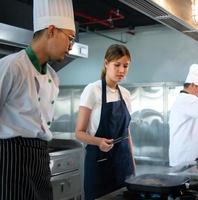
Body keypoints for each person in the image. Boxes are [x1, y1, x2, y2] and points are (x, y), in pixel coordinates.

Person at [0, 0, 76, 199]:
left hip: (40, 158)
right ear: (51, 30)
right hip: (11, 160)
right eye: (70, 38)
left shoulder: (53, 77)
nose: (70, 46)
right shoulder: (12, 66)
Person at [75, 44, 135, 199]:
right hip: (99, 162)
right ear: (106, 63)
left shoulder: (126, 94)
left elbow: (127, 133)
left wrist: (133, 165)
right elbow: (79, 133)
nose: (122, 70)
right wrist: (98, 141)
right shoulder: (92, 90)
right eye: (117, 65)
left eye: (125, 66)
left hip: (123, 162)